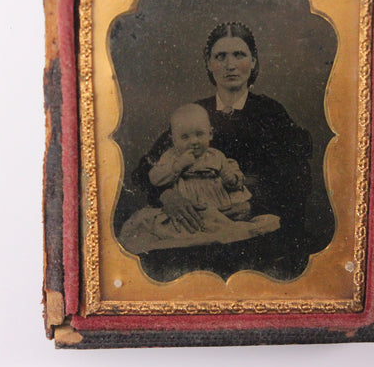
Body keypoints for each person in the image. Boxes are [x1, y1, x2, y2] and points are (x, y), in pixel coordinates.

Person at [131, 22, 313, 280]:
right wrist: (167, 195)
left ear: (253, 61)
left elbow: (298, 180)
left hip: (252, 231)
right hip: (195, 230)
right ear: (209, 64)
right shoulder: (194, 115)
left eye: (239, 55)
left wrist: (252, 205)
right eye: (221, 56)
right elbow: (145, 169)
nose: (230, 65)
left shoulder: (271, 113)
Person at [118, 103, 280, 254]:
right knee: (189, 228)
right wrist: (178, 166)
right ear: (173, 140)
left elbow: (233, 178)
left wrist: (231, 179)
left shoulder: (216, 155)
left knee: (223, 227)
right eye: (185, 137)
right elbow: (153, 177)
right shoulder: (172, 156)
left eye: (199, 134)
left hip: (220, 206)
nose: (194, 142)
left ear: (210, 134)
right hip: (192, 206)